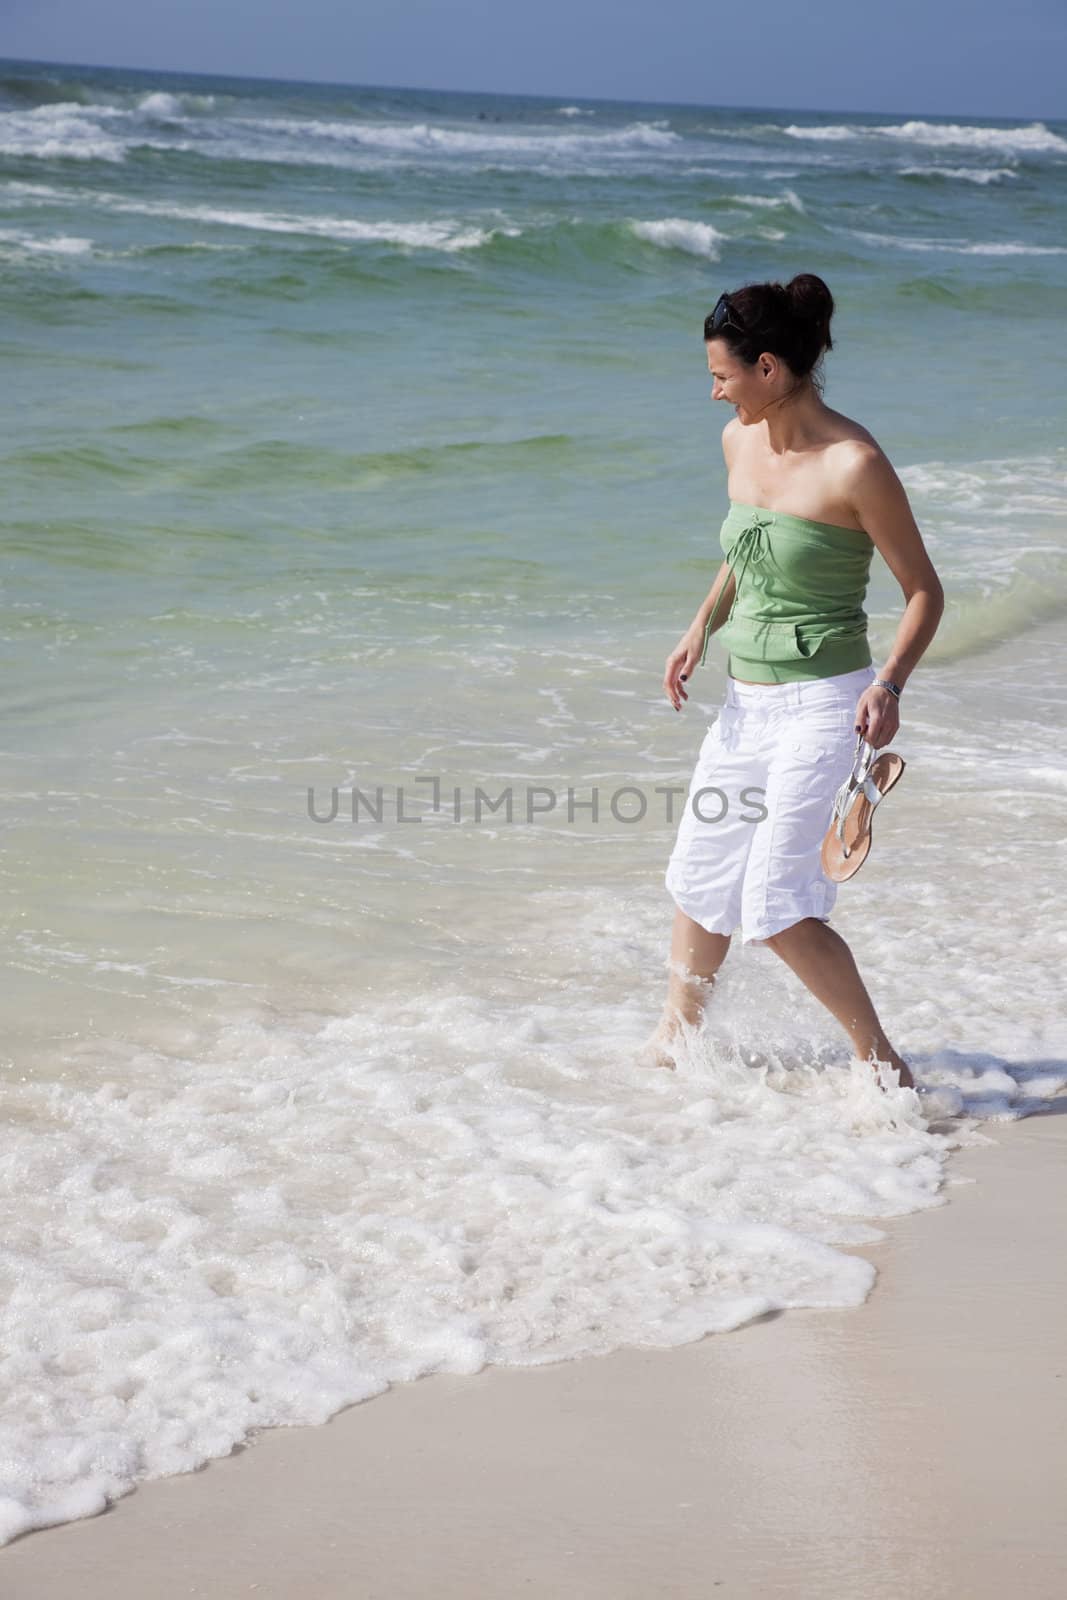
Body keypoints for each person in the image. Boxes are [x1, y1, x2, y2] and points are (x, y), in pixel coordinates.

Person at [648, 274, 944, 1092]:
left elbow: (924, 589)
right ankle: (676, 1040)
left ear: (770, 367)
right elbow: (748, 551)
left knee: (775, 902)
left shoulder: (855, 464)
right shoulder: (740, 444)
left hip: (824, 707)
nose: (713, 393)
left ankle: (881, 1065)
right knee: (702, 873)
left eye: (722, 375)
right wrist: (698, 627)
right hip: (745, 707)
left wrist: (889, 682)